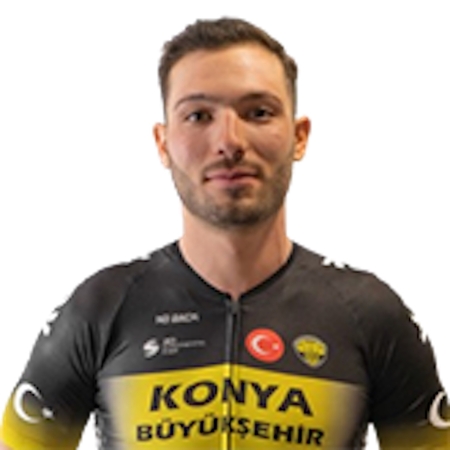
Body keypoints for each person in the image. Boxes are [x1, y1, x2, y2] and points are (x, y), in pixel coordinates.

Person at [0, 17, 448, 450]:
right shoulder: (100, 307)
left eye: (258, 112)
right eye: (198, 115)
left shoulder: (370, 313)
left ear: (299, 136)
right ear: (162, 143)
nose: (229, 141)